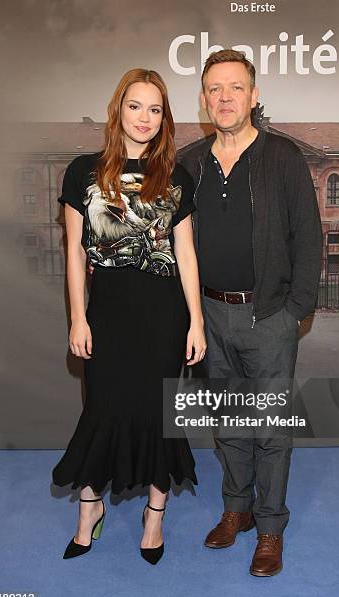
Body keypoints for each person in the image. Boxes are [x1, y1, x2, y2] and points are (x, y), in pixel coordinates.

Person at [52, 68, 206, 565]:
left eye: (155, 109)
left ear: (165, 119)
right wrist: (78, 317)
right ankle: (90, 507)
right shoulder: (83, 172)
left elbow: (186, 252)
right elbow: (75, 252)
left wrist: (197, 321)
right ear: (118, 109)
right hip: (109, 315)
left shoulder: (174, 177)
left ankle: (155, 516)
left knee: (160, 414)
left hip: (164, 317)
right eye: (135, 106)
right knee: (103, 410)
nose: (144, 118)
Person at [179, 50, 322, 576]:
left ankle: (269, 528)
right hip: (210, 316)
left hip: (269, 319)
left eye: (235, 88)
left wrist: (295, 311)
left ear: (253, 95)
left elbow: (309, 236)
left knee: (270, 429)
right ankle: (236, 510)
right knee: (229, 424)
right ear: (204, 98)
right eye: (215, 88)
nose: (224, 97)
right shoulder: (190, 162)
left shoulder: (282, 156)